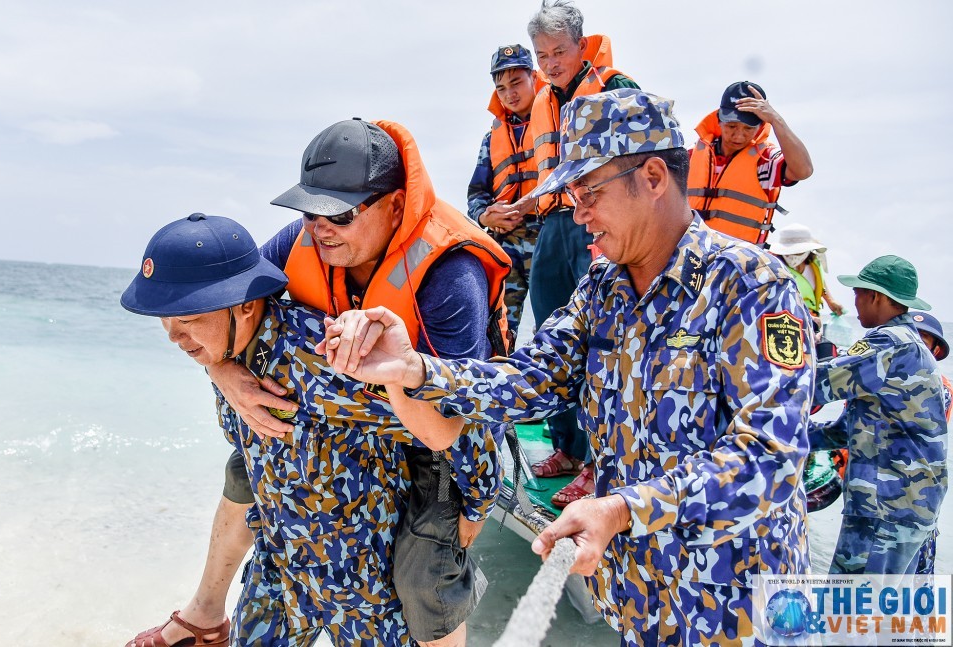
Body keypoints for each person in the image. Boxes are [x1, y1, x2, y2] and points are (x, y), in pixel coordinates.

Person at [320, 90, 814, 643]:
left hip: (735, 608)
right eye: (572, 194)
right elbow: (529, 380)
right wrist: (416, 371)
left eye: (588, 191)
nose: (577, 213)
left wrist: (624, 509)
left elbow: (772, 456)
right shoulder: (602, 289)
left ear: (653, 177)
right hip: (637, 601)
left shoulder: (752, 286)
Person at [127, 119, 510, 647]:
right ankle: (205, 613)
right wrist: (223, 369)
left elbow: (468, 417)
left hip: (445, 413)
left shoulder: (450, 275)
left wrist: (475, 504)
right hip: (336, 407)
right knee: (249, 466)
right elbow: (229, 293)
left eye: (341, 214)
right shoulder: (302, 241)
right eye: (309, 211)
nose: (319, 228)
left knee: (426, 573)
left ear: (395, 205)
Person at [507, 0, 641, 509]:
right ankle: (565, 448)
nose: (551, 64)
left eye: (559, 52)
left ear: (582, 46)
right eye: (542, 56)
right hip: (552, 226)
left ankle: (598, 466)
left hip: (599, 225)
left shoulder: (615, 87)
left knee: (603, 341)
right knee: (552, 334)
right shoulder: (542, 100)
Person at [809, 256, 948, 574]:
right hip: (905, 507)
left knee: (848, 615)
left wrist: (749, 372)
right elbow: (844, 431)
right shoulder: (907, 345)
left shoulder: (890, 343)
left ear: (876, 296)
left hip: (884, 509)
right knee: (880, 615)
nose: (854, 302)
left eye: (857, 292)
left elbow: (816, 385)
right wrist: (789, 440)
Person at [466, 43, 543, 348]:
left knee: (552, 323)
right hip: (506, 246)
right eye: (501, 88)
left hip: (547, 240)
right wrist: (486, 215)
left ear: (534, 78)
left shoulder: (559, 123)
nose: (509, 93)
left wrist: (530, 204)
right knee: (498, 327)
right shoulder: (492, 138)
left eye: (516, 83)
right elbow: (476, 194)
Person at [687, 81, 814, 245]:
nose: (738, 136)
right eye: (732, 126)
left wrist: (776, 119)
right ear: (719, 119)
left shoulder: (765, 160)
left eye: (748, 129)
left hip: (737, 264)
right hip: (687, 257)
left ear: (761, 127)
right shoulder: (689, 156)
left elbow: (803, 170)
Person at [910, 310, 950, 574]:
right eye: (913, 336)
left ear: (935, 350)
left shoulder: (940, 388)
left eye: (925, 339)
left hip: (917, 499)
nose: (917, 344)